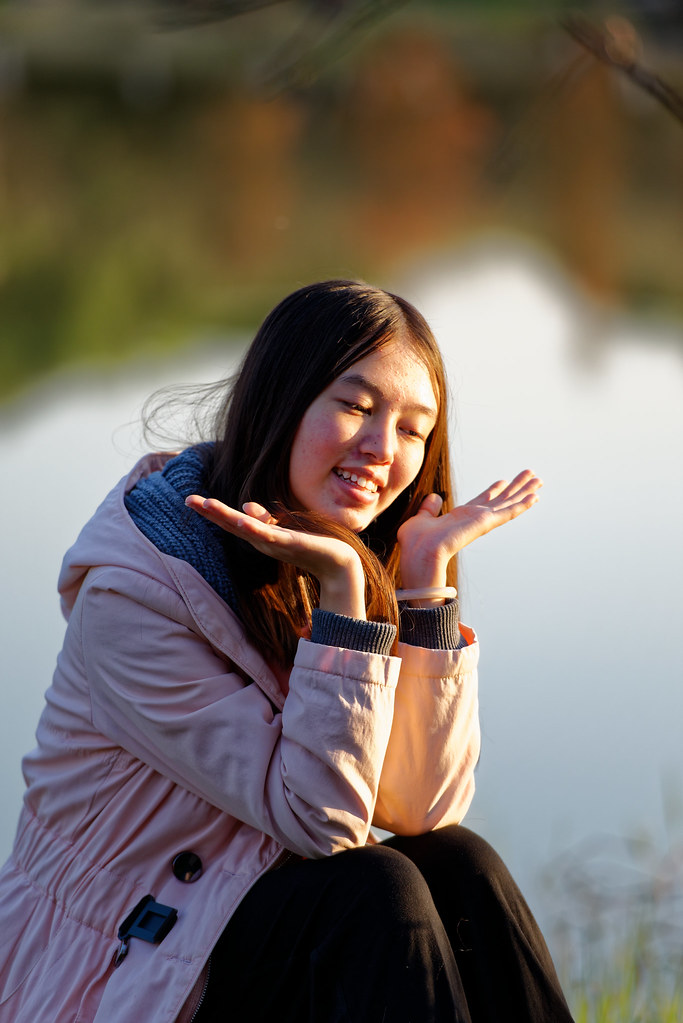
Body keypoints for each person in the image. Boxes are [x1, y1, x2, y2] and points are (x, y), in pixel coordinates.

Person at [0, 280, 574, 1022]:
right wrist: (343, 598)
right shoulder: (135, 599)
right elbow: (323, 823)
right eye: (356, 406)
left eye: (411, 428)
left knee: (460, 865)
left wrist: (424, 592)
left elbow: (418, 805)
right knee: (375, 892)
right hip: (119, 963)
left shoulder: (336, 552)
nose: (381, 449)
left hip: (235, 916)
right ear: (280, 398)